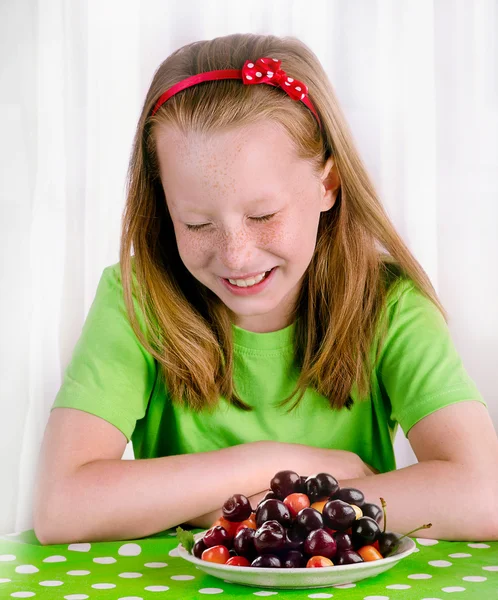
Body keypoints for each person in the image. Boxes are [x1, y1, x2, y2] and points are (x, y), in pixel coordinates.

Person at [33, 33, 498, 546]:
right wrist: (287, 464)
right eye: (196, 223)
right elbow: (62, 508)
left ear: (328, 185)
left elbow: (483, 495)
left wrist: (244, 506)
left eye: (263, 215)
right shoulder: (137, 298)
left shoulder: (388, 304)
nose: (236, 255)